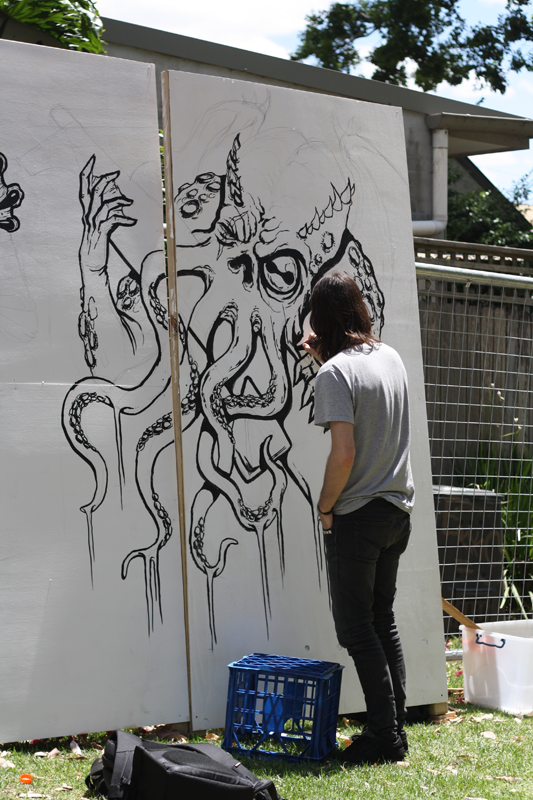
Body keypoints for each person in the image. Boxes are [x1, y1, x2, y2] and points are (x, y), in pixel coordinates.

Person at [302, 271, 415, 766]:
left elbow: (343, 453)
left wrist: (325, 507)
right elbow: (367, 402)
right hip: (396, 511)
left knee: (356, 628)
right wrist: (324, 361)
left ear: (320, 319)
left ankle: (382, 736)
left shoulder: (333, 374)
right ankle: (393, 728)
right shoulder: (388, 356)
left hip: (358, 514)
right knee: (381, 619)